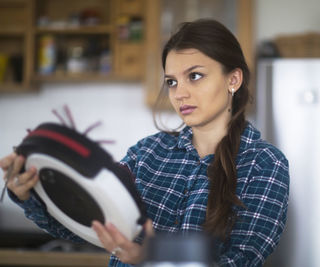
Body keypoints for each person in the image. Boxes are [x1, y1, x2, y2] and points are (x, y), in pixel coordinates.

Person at [0, 19, 289, 266]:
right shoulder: (148, 152)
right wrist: (28, 192)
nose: (180, 94)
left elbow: (240, 261)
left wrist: (149, 257)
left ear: (233, 79)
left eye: (195, 76)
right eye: (172, 82)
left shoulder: (264, 164)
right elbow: (90, 225)